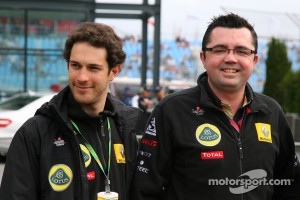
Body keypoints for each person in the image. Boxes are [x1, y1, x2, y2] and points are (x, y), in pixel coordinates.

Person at [132, 13, 300, 200]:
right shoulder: (171, 110)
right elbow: (144, 189)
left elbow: (289, 186)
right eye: (220, 49)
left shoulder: (271, 111)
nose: (230, 58)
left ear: (254, 60)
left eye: (242, 51)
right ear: (203, 57)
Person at [0, 22, 142, 200]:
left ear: (114, 71)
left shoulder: (125, 128)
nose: (82, 77)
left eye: (93, 68)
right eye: (75, 66)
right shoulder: (34, 133)